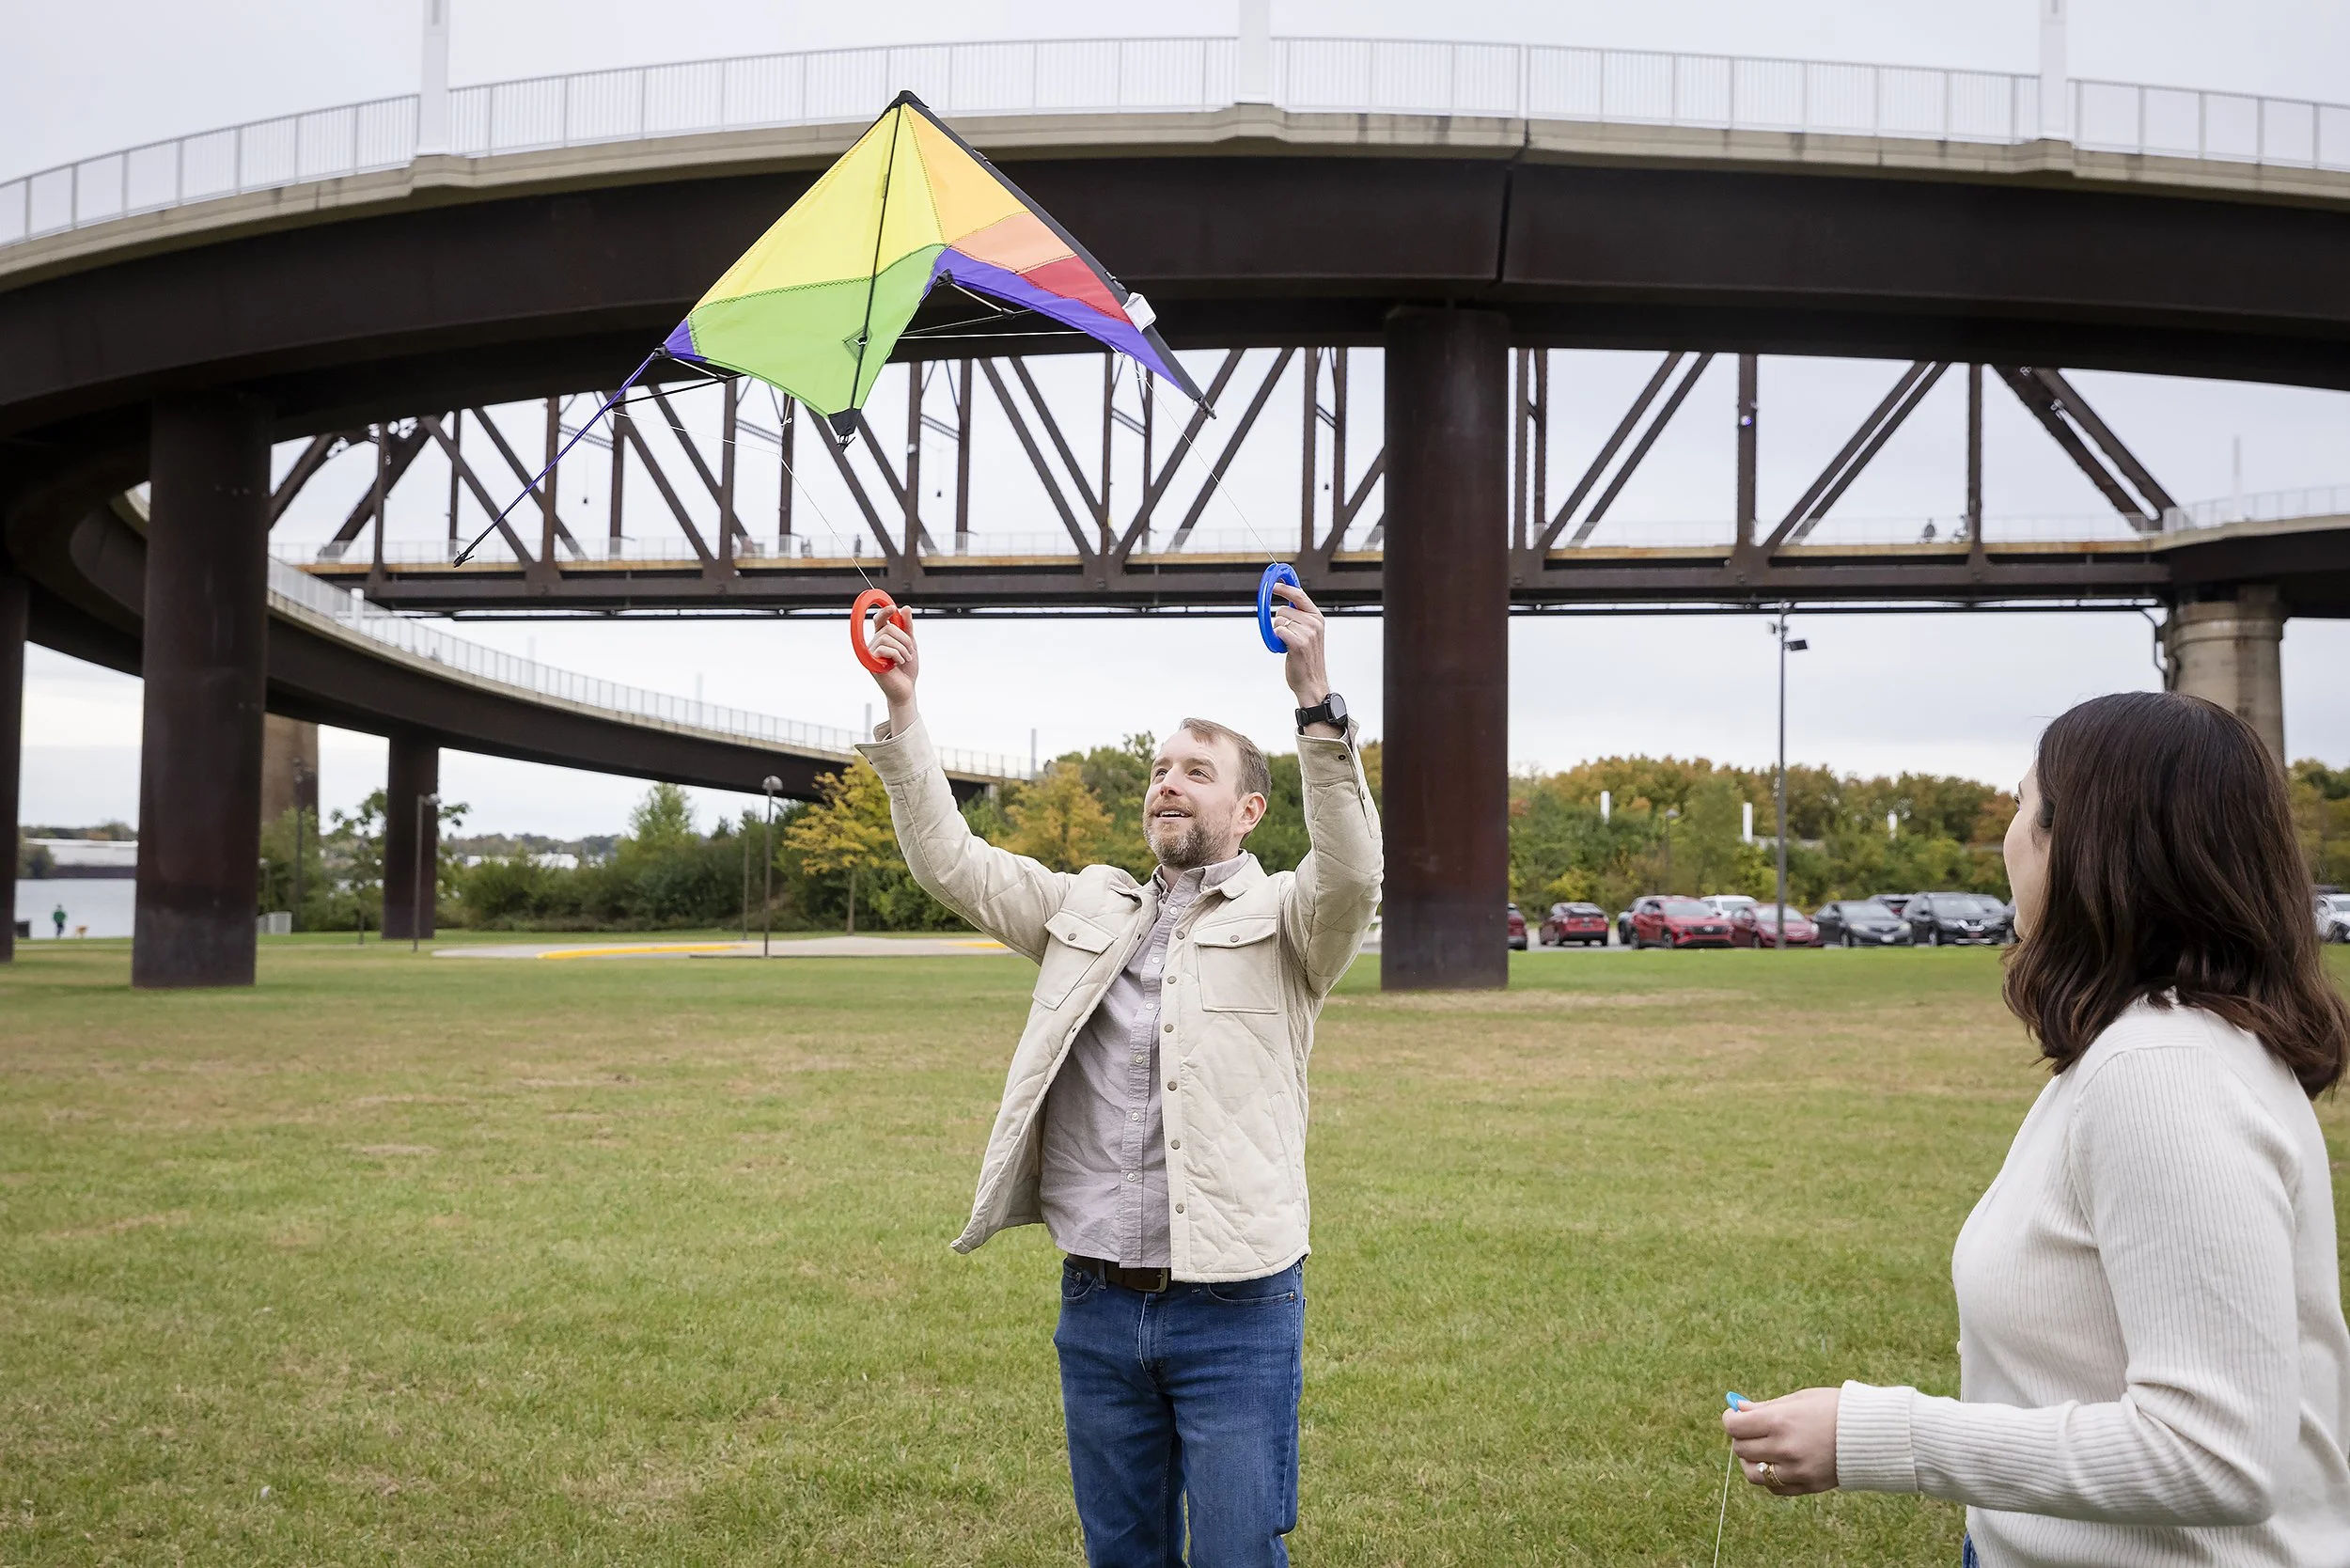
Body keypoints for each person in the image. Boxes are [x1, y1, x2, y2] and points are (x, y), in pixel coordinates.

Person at [1725, 690, 2350, 1567]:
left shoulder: (2164, 1074)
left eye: (2023, 806)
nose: (2010, 837)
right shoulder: (2151, 1049)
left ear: (2087, 846)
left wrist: (1874, 1434)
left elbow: (2217, 1458)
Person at [854, 583, 1381, 1566]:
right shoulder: (1086, 907)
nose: (1166, 784)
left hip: (1236, 1310)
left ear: (1249, 807)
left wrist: (1314, 699)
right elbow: (950, 863)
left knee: (1235, 1555)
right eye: (1157, 770)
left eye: (1195, 771)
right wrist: (903, 711)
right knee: (1122, 1557)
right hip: (1096, 1305)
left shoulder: (1291, 923)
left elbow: (1350, 870)